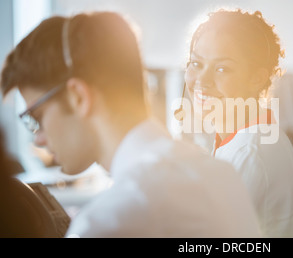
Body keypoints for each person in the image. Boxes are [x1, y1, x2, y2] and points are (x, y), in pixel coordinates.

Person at [1, 11, 262, 238]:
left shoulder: (111, 221)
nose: (39, 139)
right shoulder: (219, 174)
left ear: (78, 97)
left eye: (36, 118)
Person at [182, 8, 293, 238]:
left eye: (222, 69)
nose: (202, 80)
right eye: (196, 64)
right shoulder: (251, 137)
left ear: (256, 78)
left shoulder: (249, 152)